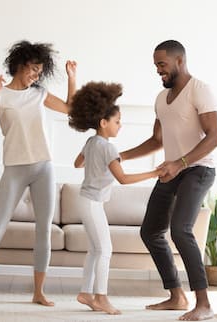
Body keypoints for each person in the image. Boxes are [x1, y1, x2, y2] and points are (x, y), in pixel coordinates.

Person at [0, 40, 77, 306]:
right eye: (33, 69)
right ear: (19, 65)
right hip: (14, 169)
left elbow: (71, 108)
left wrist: (72, 78)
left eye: (40, 71)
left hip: (43, 167)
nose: (36, 75)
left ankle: (38, 292)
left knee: (43, 230)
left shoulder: (39, 94)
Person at [120, 40, 217, 321]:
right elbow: (157, 140)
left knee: (181, 229)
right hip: (172, 170)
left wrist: (180, 163)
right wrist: (121, 156)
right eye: (155, 66)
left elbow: (215, 137)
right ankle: (176, 296)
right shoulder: (160, 99)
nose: (158, 71)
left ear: (179, 61)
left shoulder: (200, 90)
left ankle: (204, 304)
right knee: (151, 230)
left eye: (161, 65)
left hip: (197, 169)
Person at [68, 81, 161, 315]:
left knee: (95, 249)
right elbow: (124, 179)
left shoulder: (92, 142)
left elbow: (77, 163)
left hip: (86, 200)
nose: (120, 126)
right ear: (103, 123)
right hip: (92, 202)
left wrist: (97, 162)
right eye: (117, 121)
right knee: (105, 249)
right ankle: (101, 297)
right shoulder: (109, 148)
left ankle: (86, 293)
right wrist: (154, 173)